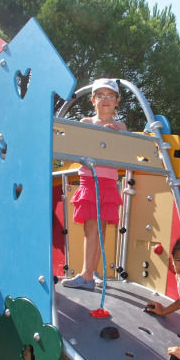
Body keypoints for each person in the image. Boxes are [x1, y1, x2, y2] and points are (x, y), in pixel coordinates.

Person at [61, 78, 125, 290]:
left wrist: (115, 135)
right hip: (89, 180)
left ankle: (91, 271)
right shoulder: (86, 122)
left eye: (110, 96)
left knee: (101, 227)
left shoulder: (119, 126)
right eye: (100, 96)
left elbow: (122, 153)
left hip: (107, 181)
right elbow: (77, 147)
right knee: (91, 228)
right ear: (92, 100)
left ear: (117, 101)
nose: (105, 100)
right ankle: (88, 272)